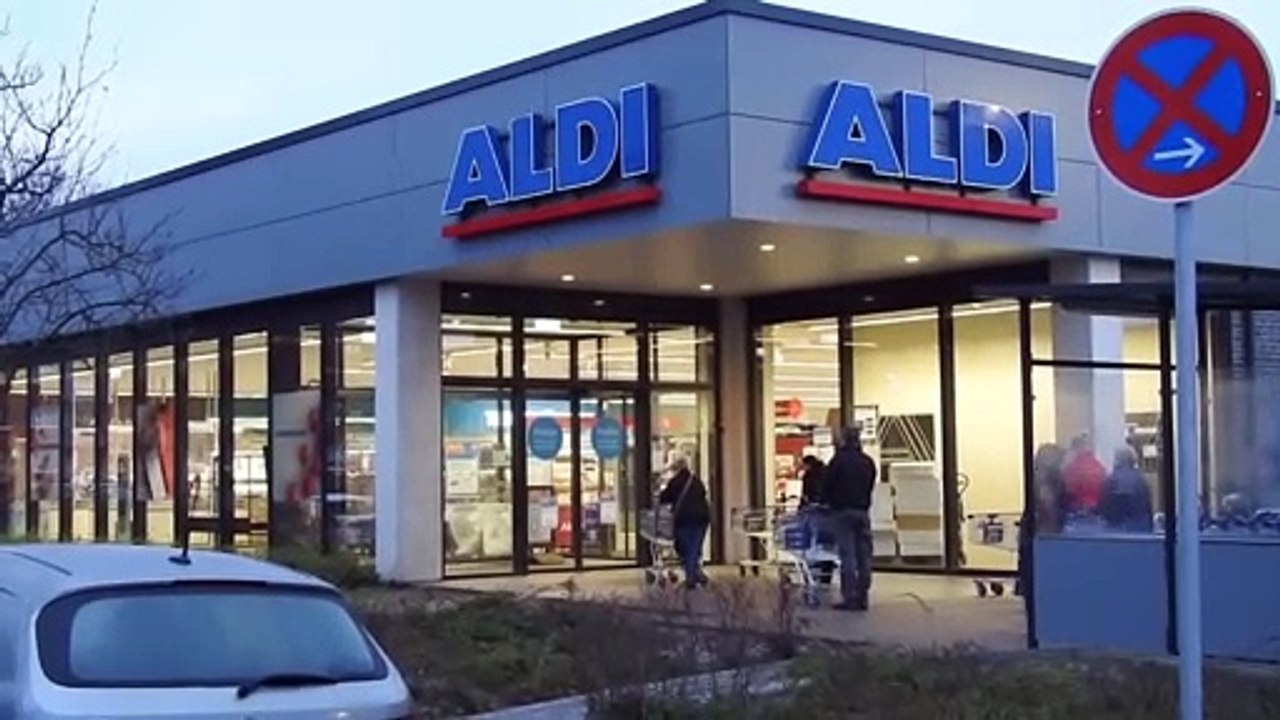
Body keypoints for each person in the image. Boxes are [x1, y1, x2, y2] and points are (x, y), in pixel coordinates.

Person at [823, 426, 877, 611]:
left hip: (842, 511)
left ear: (844, 439)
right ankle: (863, 596)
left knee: (848, 556)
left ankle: (850, 597)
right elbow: (870, 485)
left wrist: (828, 502)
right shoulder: (867, 462)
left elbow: (827, 485)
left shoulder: (838, 461)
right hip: (862, 511)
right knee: (864, 556)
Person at [658, 454, 711, 589]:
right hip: (701, 519)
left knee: (683, 548)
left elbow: (664, 499)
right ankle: (695, 573)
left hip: (683, 520)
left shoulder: (674, 482)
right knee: (694, 548)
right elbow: (703, 495)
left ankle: (691, 577)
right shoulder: (696, 481)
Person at [1098, 445, 1154, 533]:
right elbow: (1147, 507)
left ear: (1117, 460)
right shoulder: (1141, 479)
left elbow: (1103, 508)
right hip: (1139, 528)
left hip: (1115, 529)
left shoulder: (1111, 479)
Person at [798, 455, 834, 586]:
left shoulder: (809, 476)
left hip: (813, 512)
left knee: (814, 543)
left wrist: (800, 510)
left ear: (808, 464)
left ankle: (814, 571)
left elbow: (805, 495)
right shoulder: (827, 472)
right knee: (827, 543)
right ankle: (826, 573)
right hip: (828, 513)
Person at [1062, 433, 1106, 517]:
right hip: (1097, 510)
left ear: (1075, 449)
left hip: (1078, 509)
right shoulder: (1098, 465)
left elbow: (1068, 489)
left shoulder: (1072, 467)